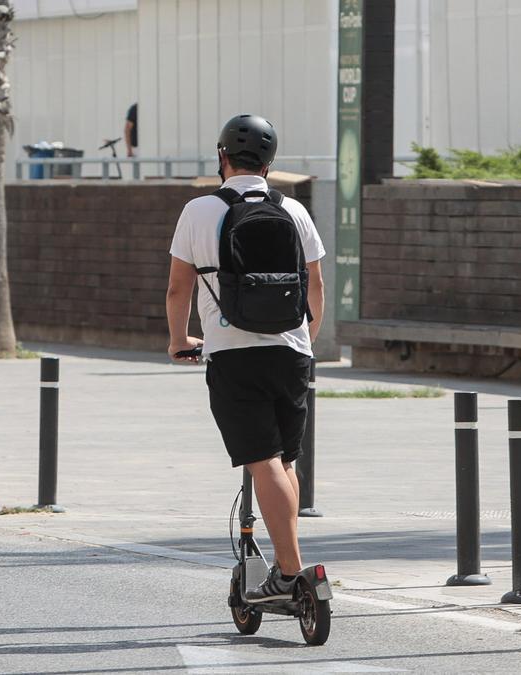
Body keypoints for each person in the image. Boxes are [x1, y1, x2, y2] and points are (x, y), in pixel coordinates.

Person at [166, 114, 326, 603]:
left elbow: (178, 289)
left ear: (222, 158)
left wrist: (180, 341)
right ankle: (286, 566)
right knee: (285, 461)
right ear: (270, 162)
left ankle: (293, 572)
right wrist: (306, 339)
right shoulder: (294, 211)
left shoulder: (198, 211)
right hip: (292, 351)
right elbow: (315, 287)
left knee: (262, 460)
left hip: (234, 355)